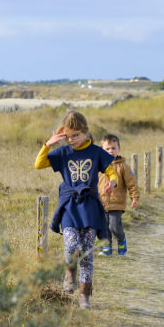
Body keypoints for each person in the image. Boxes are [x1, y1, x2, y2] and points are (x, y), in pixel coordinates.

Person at [34, 111, 118, 309]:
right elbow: (39, 164)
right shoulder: (63, 152)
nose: (71, 140)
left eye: (76, 136)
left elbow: (111, 170)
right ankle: (69, 271)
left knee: (87, 252)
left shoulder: (97, 152)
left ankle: (84, 296)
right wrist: (48, 144)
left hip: (90, 205)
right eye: (68, 136)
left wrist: (112, 183)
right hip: (70, 204)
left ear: (85, 132)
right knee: (71, 244)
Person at [97, 134, 140, 257]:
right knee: (104, 227)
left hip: (117, 203)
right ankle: (107, 248)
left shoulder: (123, 167)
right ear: (101, 150)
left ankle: (121, 241)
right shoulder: (98, 166)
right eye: (107, 149)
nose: (111, 151)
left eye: (114, 148)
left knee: (114, 226)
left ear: (119, 149)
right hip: (101, 203)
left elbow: (132, 184)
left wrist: (134, 198)